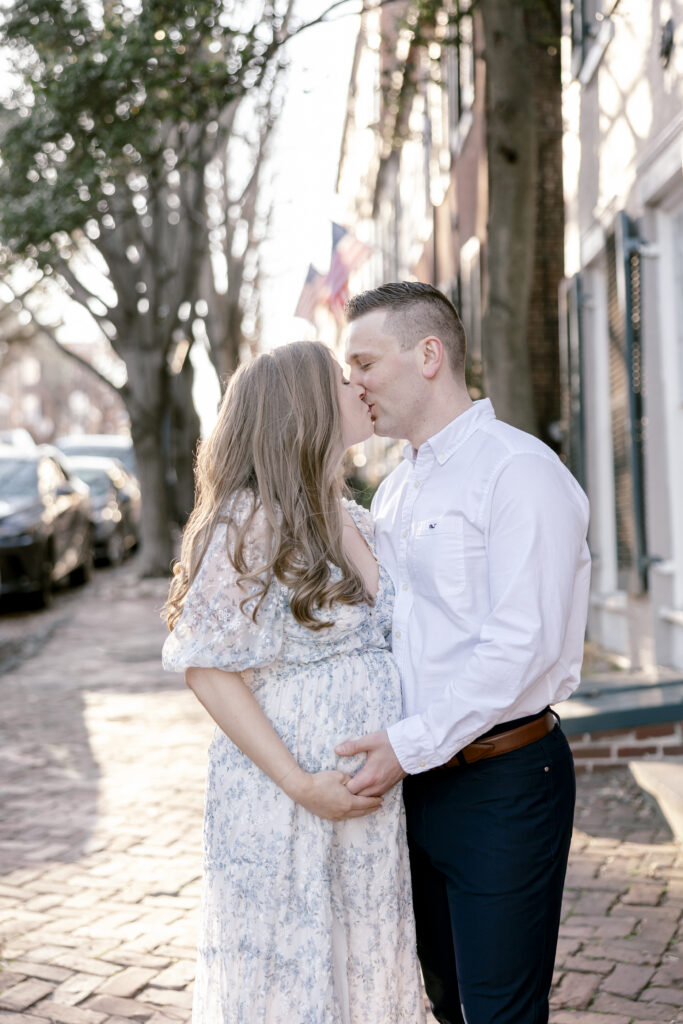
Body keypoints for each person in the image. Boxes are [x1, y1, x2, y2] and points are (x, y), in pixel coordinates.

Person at [337, 282, 591, 1024]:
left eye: (363, 361)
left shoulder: (519, 471)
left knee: (498, 1012)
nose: (352, 382)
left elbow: (520, 648)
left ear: (427, 355)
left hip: (501, 780)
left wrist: (402, 745)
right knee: (446, 1002)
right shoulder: (393, 492)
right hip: (414, 786)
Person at [162, 341, 426, 1024]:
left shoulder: (357, 517)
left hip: (365, 802)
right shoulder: (249, 518)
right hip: (285, 803)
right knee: (292, 984)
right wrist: (300, 784)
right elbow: (208, 668)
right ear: (303, 407)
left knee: (356, 973)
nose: (359, 386)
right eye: (344, 379)